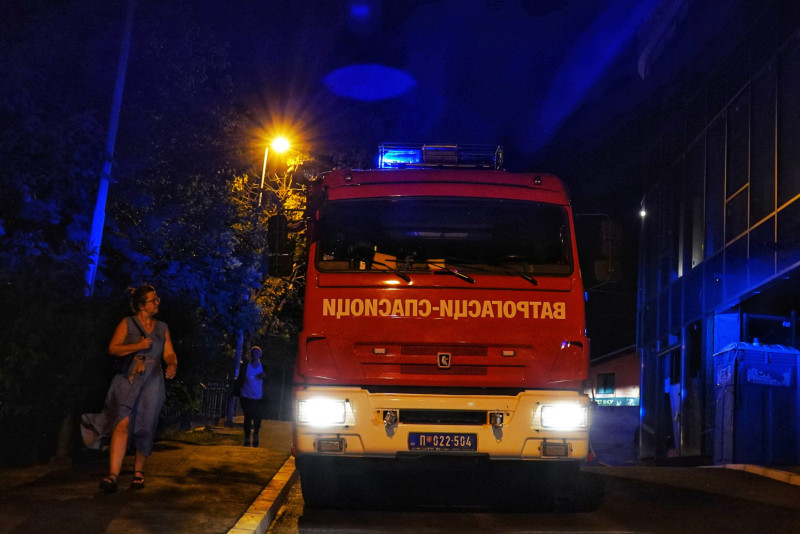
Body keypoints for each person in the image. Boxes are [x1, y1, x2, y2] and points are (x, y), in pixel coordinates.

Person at [80, 284, 178, 493]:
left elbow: (169, 352)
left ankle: (138, 473)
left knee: (145, 426)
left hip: (152, 381)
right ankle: (112, 476)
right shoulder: (127, 323)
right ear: (142, 305)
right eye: (153, 300)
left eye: (157, 299)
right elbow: (113, 348)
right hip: (128, 379)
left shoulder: (162, 328)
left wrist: (172, 363)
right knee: (122, 423)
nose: (158, 302)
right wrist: (137, 346)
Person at [235, 346, 266, 447]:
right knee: (248, 417)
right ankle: (247, 438)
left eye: (257, 352)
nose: (255, 354)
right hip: (246, 395)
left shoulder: (263, 367)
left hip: (258, 396)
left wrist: (264, 376)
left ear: (260, 355)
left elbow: (268, 380)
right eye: (253, 352)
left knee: (257, 417)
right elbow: (240, 378)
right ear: (251, 354)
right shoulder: (246, 366)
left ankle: (256, 435)